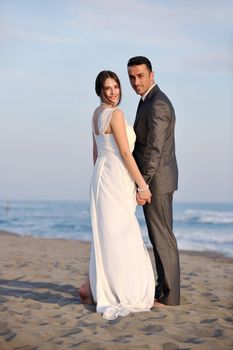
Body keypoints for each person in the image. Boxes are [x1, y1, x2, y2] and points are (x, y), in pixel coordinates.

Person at [79, 70, 155, 320]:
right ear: (99, 90)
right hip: (115, 174)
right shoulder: (115, 114)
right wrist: (142, 185)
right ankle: (120, 290)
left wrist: (98, 180)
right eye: (107, 88)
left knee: (106, 233)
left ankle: (94, 287)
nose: (113, 93)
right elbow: (125, 153)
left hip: (101, 175)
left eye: (116, 87)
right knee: (122, 233)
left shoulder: (95, 113)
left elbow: (95, 153)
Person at [127, 56, 180, 306]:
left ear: (152, 75)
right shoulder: (146, 101)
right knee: (159, 237)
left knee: (163, 239)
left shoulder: (158, 104)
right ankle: (163, 289)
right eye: (132, 77)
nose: (136, 82)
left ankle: (170, 297)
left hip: (156, 182)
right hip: (155, 181)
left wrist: (143, 184)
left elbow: (154, 149)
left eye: (140, 76)